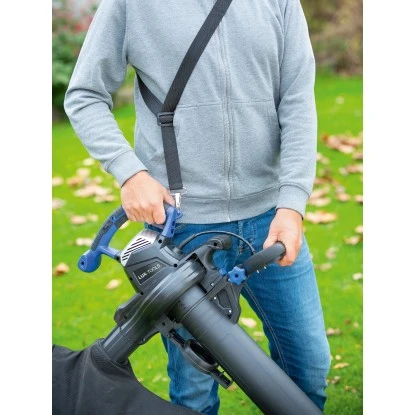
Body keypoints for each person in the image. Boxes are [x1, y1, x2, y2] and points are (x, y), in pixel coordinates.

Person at [64, 0, 331, 413]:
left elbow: (296, 100)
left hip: (269, 221)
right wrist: (130, 173)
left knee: (308, 370)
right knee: (194, 395)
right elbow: (85, 95)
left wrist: (293, 205)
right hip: (183, 231)